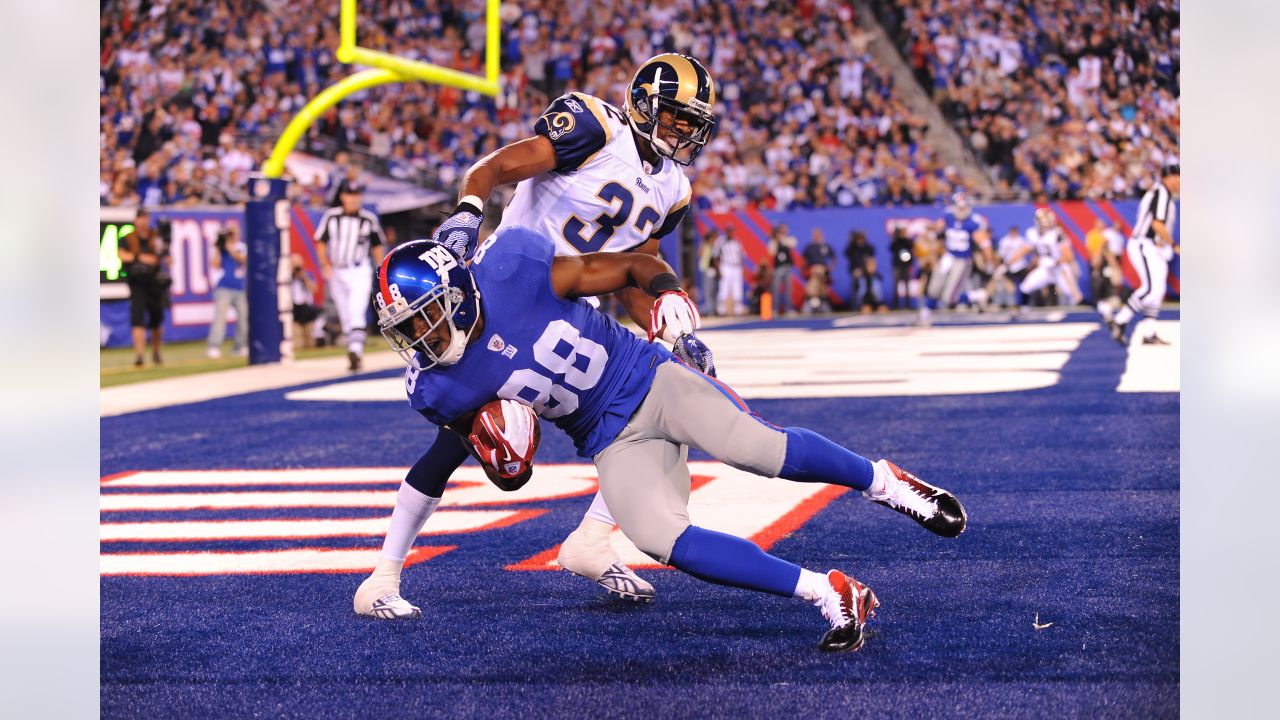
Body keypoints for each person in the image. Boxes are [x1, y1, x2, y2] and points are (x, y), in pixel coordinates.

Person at [354, 231, 967, 656]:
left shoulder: (514, 271)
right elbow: (505, 469)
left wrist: (668, 289)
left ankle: (886, 483)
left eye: (423, 317)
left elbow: (627, 266)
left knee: (759, 449)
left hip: (651, 378)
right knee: (660, 539)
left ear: (459, 294)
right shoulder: (437, 386)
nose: (417, 338)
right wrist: (505, 458)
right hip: (607, 437)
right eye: (403, 329)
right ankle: (830, 592)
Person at [424, 53, 721, 603]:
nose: (685, 131)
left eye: (692, 122)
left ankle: (591, 538)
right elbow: (495, 166)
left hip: (571, 313)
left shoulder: (674, 189)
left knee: (669, 400)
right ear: (644, 104)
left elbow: (634, 271)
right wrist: (468, 210)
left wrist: (669, 327)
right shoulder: (594, 126)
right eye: (677, 117)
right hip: (507, 297)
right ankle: (387, 571)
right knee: (464, 433)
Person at [314, 180, 387, 371]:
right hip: (338, 271)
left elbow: (378, 245)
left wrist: (380, 270)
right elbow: (320, 241)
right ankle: (353, 347)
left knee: (356, 310)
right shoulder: (332, 217)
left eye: (357, 195)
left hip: (359, 270)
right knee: (345, 316)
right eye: (350, 195)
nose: (354, 199)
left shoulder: (368, 219)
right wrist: (324, 263)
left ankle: (355, 351)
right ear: (343, 197)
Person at [1109, 164, 1180, 345]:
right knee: (1150, 289)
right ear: (1170, 177)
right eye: (1179, 177)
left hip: (1153, 247)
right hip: (1145, 244)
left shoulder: (1160, 192)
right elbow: (1157, 224)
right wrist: (1173, 245)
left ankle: (1149, 332)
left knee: (1157, 291)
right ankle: (1119, 320)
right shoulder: (1161, 193)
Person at [921, 193, 991, 323]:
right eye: (959, 207)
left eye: (963, 207)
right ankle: (925, 313)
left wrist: (989, 260)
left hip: (962, 260)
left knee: (949, 299)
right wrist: (930, 230)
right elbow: (937, 227)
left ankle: (977, 296)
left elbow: (984, 243)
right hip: (948, 256)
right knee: (933, 288)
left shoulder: (973, 222)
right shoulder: (948, 216)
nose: (961, 210)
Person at [117, 208, 171, 367]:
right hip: (137, 284)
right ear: (135, 221)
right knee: (137, 319)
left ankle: (156, 352)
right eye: (140, 218)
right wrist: (140, 257)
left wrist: (163, 256)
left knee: (156, 320)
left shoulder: (155, 237)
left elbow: (166, 257)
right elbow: (121, 255)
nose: (143, 222)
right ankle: (139, 355)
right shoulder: (128, 237)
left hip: (154, 283)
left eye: (145, 218)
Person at [1018, 209, 1084, 307]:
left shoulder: (1057, 233)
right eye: (1043, 220)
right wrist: (1008, 262)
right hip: (1045, 269)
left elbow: (1069, 255)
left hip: (1060, 268)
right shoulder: (1032, 233)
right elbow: (1025, 249)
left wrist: (1054, 262)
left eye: (1046, 220)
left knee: (1074, 295)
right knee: (1025, 287)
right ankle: (1023, 310)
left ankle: (1088, 315)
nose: (1045, 223)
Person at [206, 224, 248, 358]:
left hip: (240, 288)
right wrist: (219, 247)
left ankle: (240, 346)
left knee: (243, 319)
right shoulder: (223, 248)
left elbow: (243, 259)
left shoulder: (242, 247)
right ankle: (214, 346)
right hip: (224, 287)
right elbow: (214, 264)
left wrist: (230, 248)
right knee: (220, 319)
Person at [290, 253, 321, 351]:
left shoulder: (307, 274)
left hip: (307, 310)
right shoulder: (287, 277)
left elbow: (315, 289)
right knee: (297, 343)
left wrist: (304, 277)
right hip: (294, 311)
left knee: (310, 341)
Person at [801, 228, 835, 314]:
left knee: (823, 290)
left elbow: (833, 258)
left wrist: (829, 268)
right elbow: (804, 260)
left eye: (818, 235)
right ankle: (808, 308)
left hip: (823, 269)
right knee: (812, 290)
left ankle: (825, 308)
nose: (817, 237)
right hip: (813, 269)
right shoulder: (810, 247)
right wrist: (805, 270)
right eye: (815, 235)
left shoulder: (825, 246)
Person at [716, 225, 746, 317]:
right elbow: (715, 256)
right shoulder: (721, 241)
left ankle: (738, 310)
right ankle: (721, 310)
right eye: (729, 231)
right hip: (726, 266)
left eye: (732, 231)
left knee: (737, 287)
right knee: (724, 287)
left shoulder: (737, 241)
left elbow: (741, 255)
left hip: (736, 267)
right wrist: (718, 269)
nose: (730, 233)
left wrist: (742, 268)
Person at [767, 225, 797, 316]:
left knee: (788, 289)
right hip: (778, 268)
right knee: (775, 289)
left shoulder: (788, 239)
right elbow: (771, 252)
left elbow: (792, 244)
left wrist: (781, 239)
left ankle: (788, 309)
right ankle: (774, 309)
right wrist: (775, 240)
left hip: (787, 266)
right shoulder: (774, 241)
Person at [888, 227, 914, 310]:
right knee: (896, 285)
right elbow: (891, 248)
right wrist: (895, 238)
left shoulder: (907, 241)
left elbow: (911, 246)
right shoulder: (896, 241)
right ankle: (896, 305)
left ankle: (907, 305)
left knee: (907, 285)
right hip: (897, 265)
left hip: (905, 265)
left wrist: (910, 264)